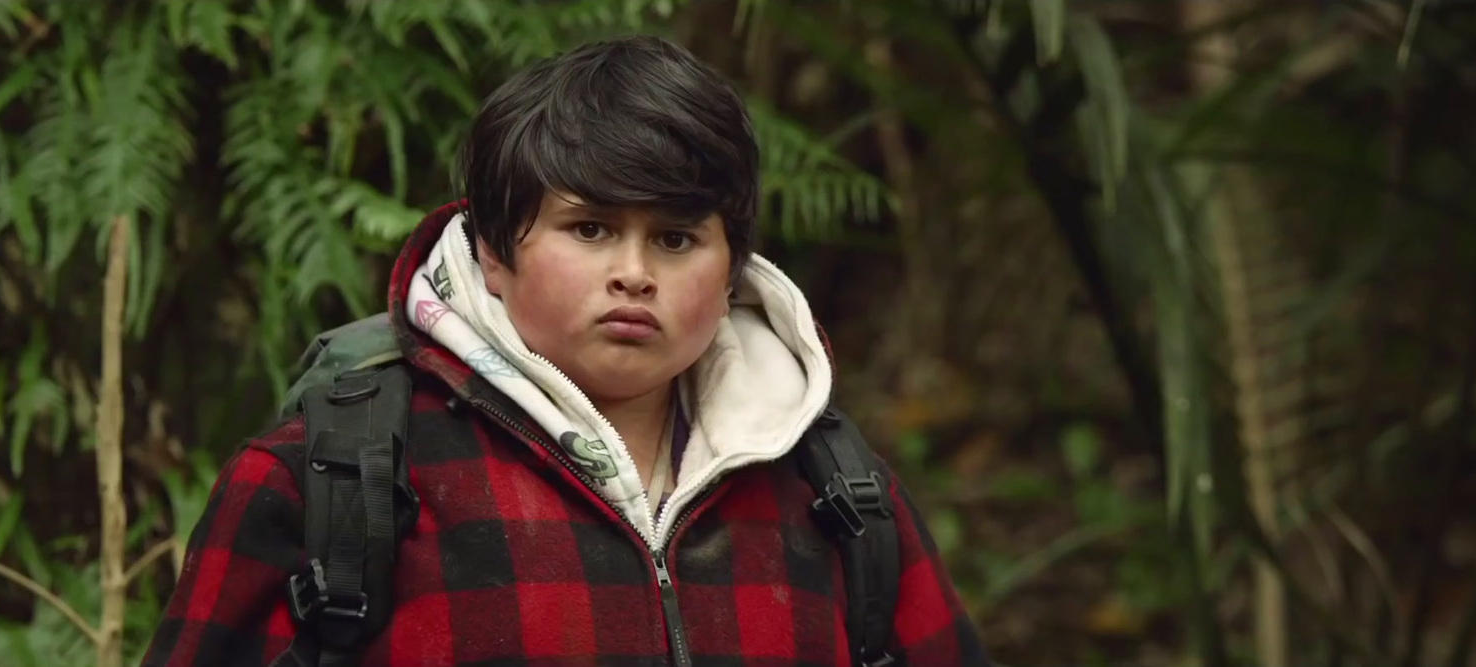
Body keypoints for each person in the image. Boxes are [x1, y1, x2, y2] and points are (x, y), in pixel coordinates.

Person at [141, 34, 989, 666]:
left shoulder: (834, 489)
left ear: (733, 268)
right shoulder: (336, 475)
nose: (633, 273)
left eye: (676, 238)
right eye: (589, 228)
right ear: (492, 252)